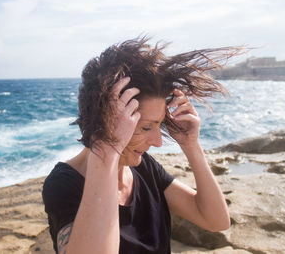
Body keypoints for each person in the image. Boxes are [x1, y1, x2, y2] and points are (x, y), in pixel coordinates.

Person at [42, 37, 243, 254]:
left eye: (160, 125)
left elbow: (216, 220)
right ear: (107, 120)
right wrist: (107, 151)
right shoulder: (64, 184)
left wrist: (191, 146)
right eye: (146, 127)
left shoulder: (144, 168)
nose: (157, 142)